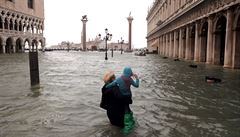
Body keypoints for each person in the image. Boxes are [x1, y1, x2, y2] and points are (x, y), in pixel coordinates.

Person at [106, 67, 139, 133]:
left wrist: (106, 86)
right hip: (128, 97)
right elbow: (136, 85)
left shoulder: (119, 79)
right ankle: (129, 123)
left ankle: (126, 124)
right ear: (130, 72)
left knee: (125, 109)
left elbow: (111, 85)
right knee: (127, 108)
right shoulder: (130, 79)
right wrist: (137, 78)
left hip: (121, 97)